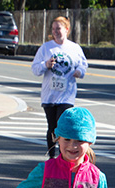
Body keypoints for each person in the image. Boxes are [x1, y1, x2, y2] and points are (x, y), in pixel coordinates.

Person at [31, 16, 88, 158]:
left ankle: (63, 156)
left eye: (58, 28)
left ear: (67, 29)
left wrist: (79, 72)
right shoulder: (46, 48)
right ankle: (51, 157)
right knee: (52, 127)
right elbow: (35, 68)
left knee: (63, 126)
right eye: (53, 29)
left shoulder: (74, 48)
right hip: (49, 95)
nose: (55, 31)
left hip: (66, 95)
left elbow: (83, 64)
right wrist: (46, 64)